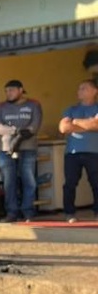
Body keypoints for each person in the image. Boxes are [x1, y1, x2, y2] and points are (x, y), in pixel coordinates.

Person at [0, 79, 42, 222]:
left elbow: (34, 126)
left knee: (29, 180)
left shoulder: (33, 105)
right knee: (9, 182)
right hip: (5, 149)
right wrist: (17, 131)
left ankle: (28, 212)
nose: (8, 93)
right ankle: (11, 213)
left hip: (28, 148)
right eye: (6, 91)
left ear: (21, 90)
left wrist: (21, 134)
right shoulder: (0, 107)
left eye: (12, 90)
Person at [58, 72, 98, 222]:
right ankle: (69, 213)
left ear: (94, 91)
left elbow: (96, 124)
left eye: (84, 88)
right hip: (72, 153)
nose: (79, 91)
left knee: (96, 183)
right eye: (79, 89)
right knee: (70, 183)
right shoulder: (71, 109)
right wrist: (88, 124)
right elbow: (63, 128)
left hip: (94, 152)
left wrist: (75, 123)